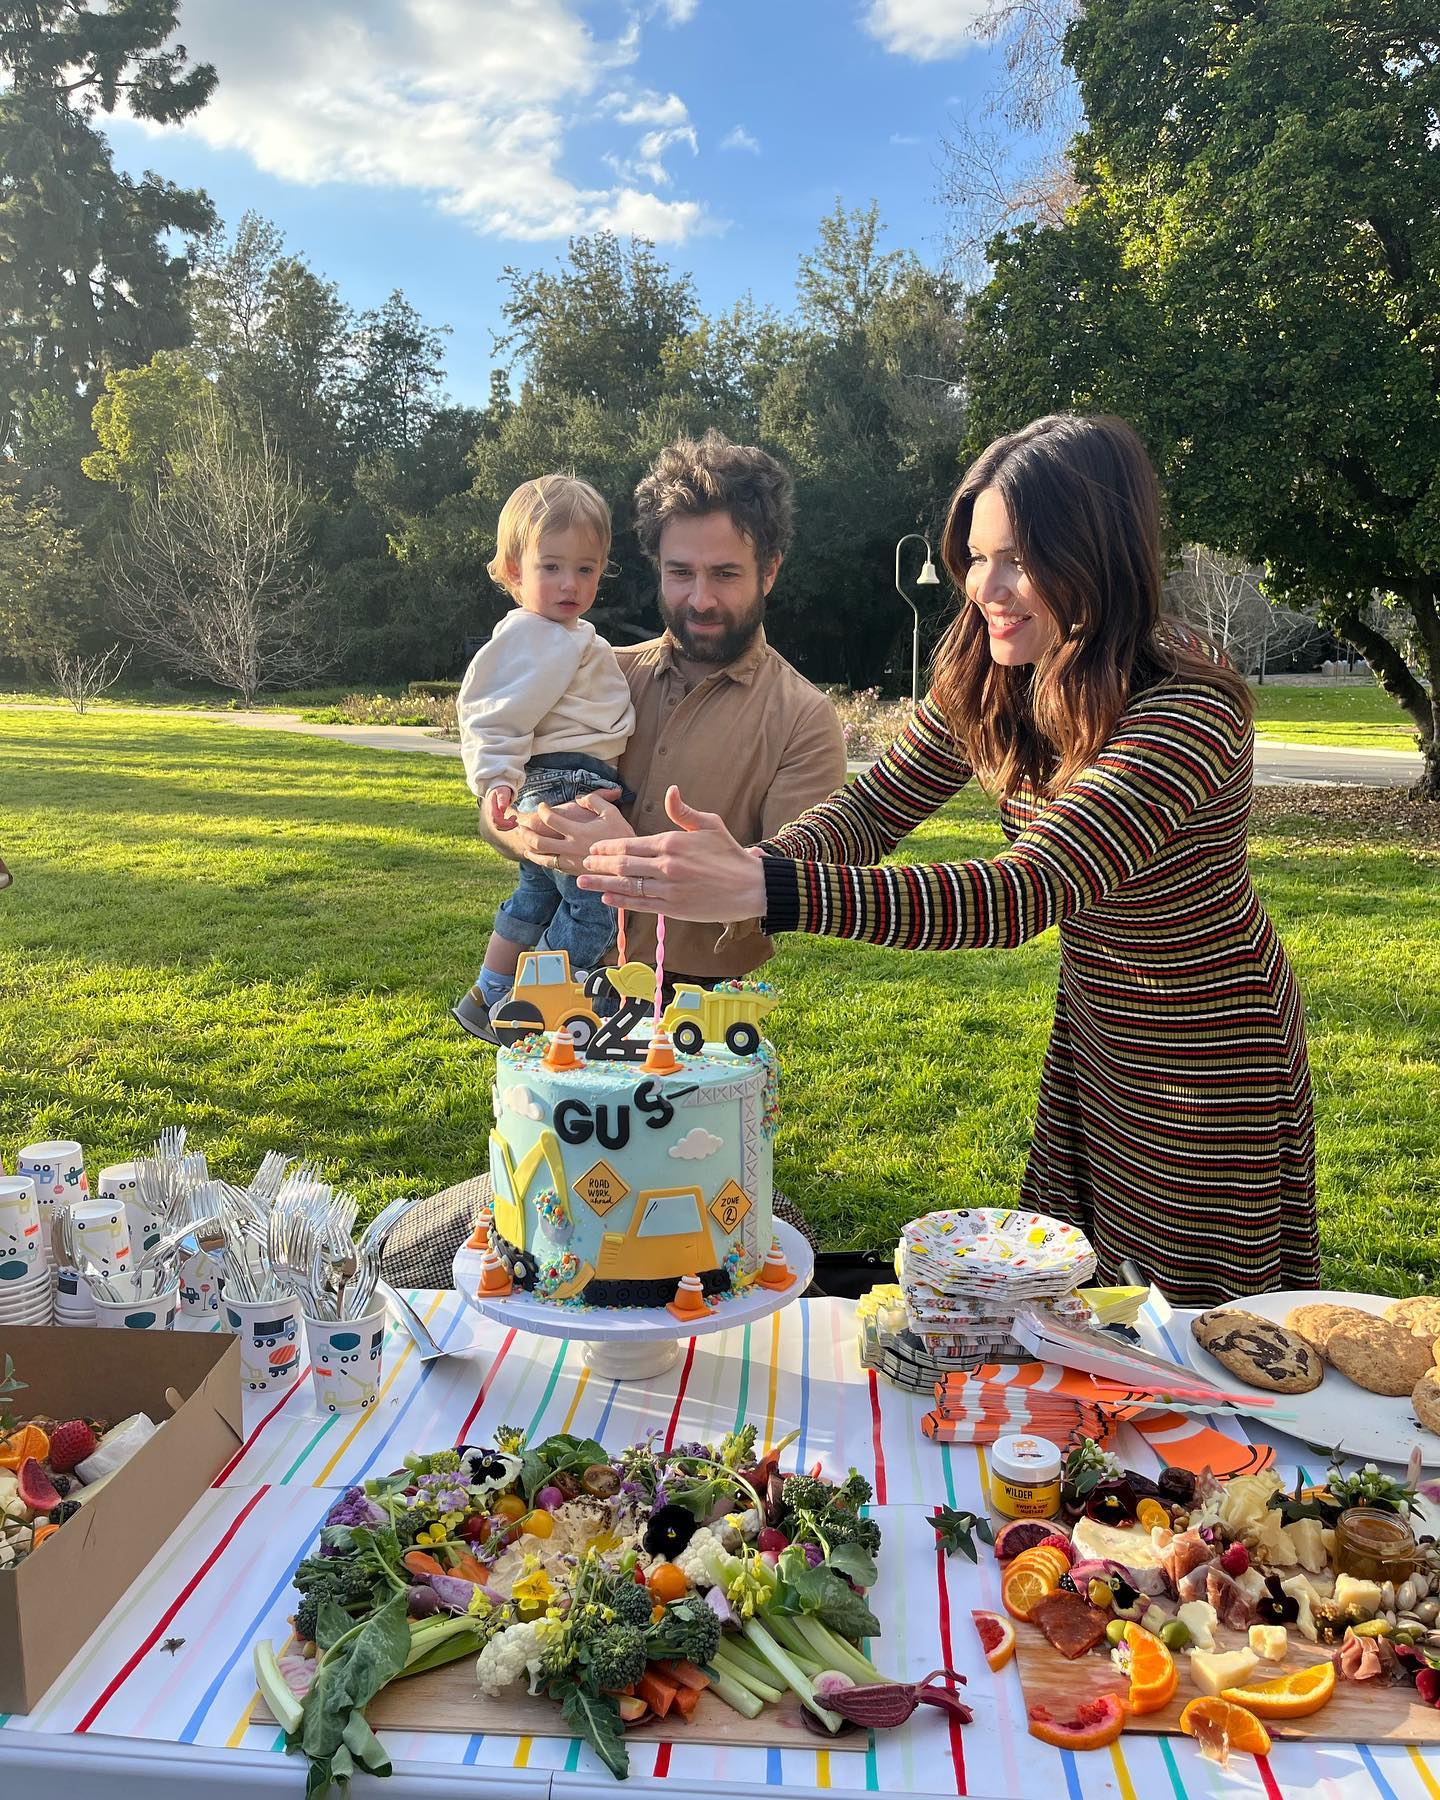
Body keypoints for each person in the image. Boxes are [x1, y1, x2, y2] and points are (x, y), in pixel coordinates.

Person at [578, 413, 1320, 1309]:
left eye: (1016, 558)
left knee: (1192, 1325)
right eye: (974, 556)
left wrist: (767, 886)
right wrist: (760, 861)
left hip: (1207, 1050)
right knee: (1073, 1300)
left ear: (1099, 551)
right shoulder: (995, 671)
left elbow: (1021, 890)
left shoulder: (1186, 709)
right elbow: (870, 808)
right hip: (1097, 1027)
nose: (985, 589)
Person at [451, 429, 847, 1028]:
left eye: (725, 574)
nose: (701, 598)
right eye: (679, 572)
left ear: (769, 572)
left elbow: (791, 889)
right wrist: (525, 832)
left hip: (698, 1016)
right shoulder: (598, 674)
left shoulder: (803, 720)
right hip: (562, 1011)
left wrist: (620, 857)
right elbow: (497, 807)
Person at [454, 474, 635, 1025]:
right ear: (514, 570)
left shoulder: (565, 634)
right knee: (594, 906)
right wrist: (494, 782)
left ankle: (487, 992)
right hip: (567, 783)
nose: (569, 583)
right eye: (550, 567)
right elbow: (491, 712)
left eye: (586, 569)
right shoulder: (538, 635)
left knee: (535, 898)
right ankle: (538, 998)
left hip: (555, 781)